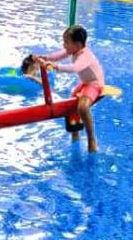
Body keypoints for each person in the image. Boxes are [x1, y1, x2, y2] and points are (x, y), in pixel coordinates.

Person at [38, 25, 104, 153]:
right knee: (71, 105)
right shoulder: (73, 50)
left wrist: (56, 67)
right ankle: (75, 134)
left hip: (94, 84)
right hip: (85, 83)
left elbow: (75, 68)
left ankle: (91, 139)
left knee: (82, 107)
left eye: (66, 42)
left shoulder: (86, 56)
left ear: (78, 45)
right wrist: (45, 58)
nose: (64, 45)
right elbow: (58, 55)